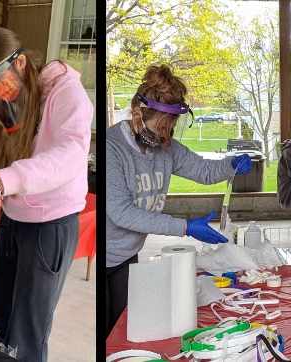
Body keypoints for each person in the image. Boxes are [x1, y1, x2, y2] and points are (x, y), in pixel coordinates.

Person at [0, 27, 93, 362]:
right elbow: (16, 162)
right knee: (3, 312)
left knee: (28, 329)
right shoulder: (16, 101)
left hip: (50, 226)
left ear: (21, 63)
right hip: (15, 221)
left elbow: (66, 159)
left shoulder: (68, 95)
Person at [105, 64, 251, 335]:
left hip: (126, 257)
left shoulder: (165, 148)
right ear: (139, 113)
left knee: (123, 327)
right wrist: (184, 227)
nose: (165, 134)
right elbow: (121, 213)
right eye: (161, 125)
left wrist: (231, 164)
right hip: (105, 251)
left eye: (170, 126)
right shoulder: (112, 148)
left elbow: (203, 170)